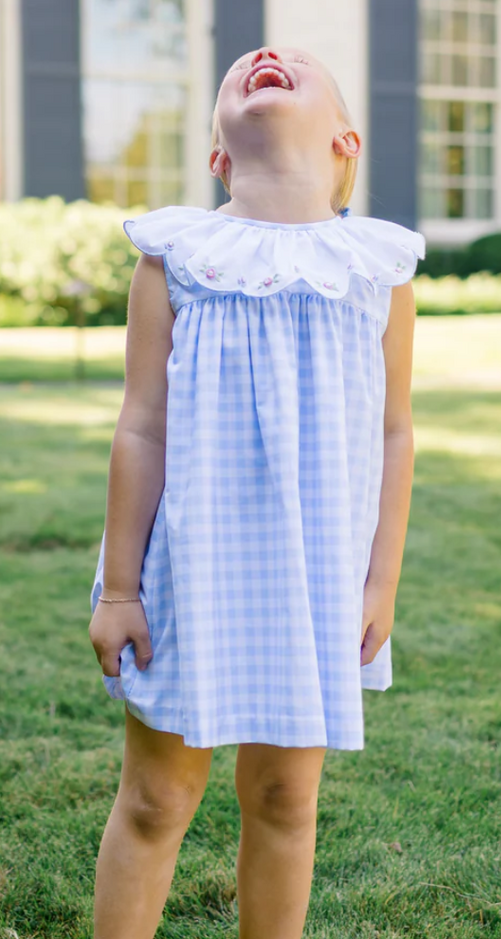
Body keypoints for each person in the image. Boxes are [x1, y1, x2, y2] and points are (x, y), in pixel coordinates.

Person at [88, 46, 424, 938]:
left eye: (299, 64)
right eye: (249, 65)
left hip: (316, 579)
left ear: (346, 144)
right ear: (218, 160)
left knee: (285, 795)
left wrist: (381, 581)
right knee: (159, 797)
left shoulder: (378, 268)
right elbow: (142, 425)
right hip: (189, 574)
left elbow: (395, 433)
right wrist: (120, 587)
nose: (269, 57)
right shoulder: (177, 255)